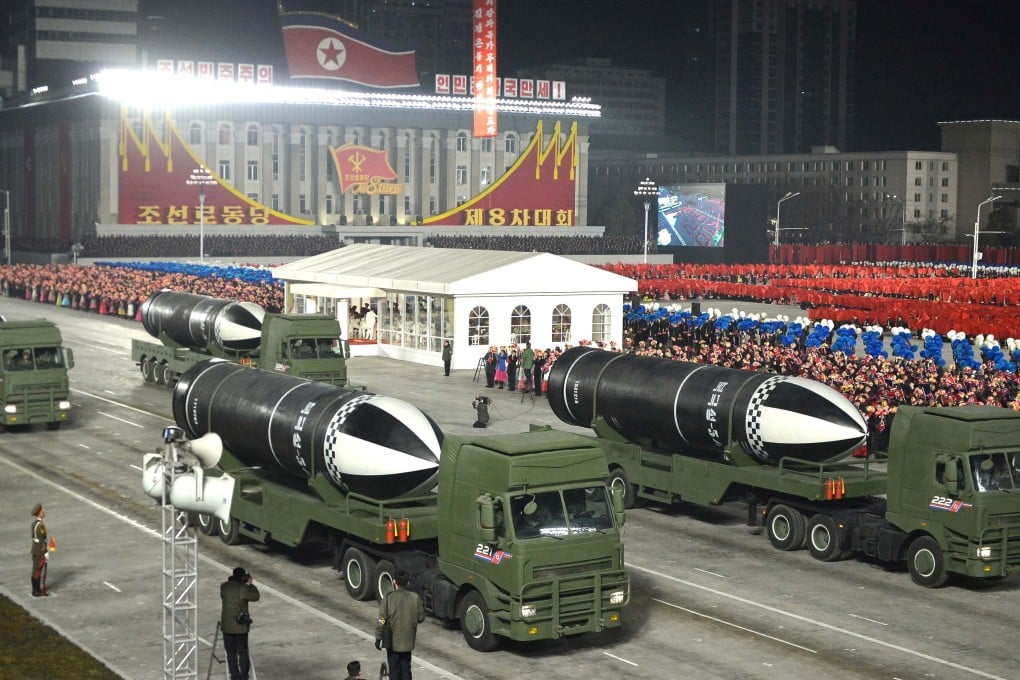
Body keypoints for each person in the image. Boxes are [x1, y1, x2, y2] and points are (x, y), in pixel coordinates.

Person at [375, 570, 425, 680]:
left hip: (392, 642)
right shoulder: (415, 598)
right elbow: (421, 618)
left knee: (394, 670)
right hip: (407, 642)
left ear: (394, 582)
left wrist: (378, 637)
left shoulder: (388, 598)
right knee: (406, 669)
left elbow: (382, 620)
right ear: (408, 583)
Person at [220, 566, 261, 680]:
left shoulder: (224, 587)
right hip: (240, 627)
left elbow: (225, 594)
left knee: (230, 653)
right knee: (242, 652)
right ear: (242, 577)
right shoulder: (243, 589)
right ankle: (244, 676)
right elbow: (256, 596)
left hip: (227, 626)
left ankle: (234, 676)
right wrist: (250, 584)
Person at [30, 503, 49, 597]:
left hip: (36, 550)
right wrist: (45, 552)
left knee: (36, 569)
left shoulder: (35, 524)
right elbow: (41, 541)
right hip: (39, 551)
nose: (44, 511)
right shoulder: (39, 526)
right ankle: (36, 590)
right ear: (39, 513)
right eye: (42, 511)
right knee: (37, 570)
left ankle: (36, 589)